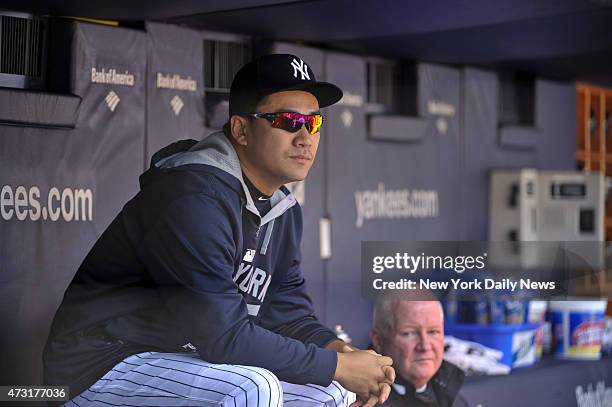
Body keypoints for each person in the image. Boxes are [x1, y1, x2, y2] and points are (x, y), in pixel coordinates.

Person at [43, 53, 394, 407]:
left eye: (314, 123)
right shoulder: (192, 197)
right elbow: (224, 337)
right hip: (100, 365)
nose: (305, 137)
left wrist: (343, 353)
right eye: (288, 121)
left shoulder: (283, 211)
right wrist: (337, 365)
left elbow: (289, 316)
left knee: (329, 390)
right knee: (252, 388)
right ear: (241, 129)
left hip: (175, 359)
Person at [370, 297, 464, 407]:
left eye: (433, 332)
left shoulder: (461, 390)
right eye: (409, 333)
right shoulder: (356, 399)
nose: (425, 346)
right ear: (378, 340)